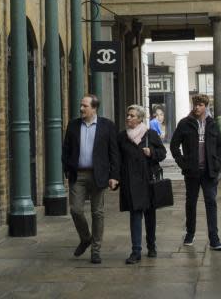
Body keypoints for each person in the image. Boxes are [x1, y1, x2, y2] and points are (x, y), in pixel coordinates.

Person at [62, 94, 120, 264]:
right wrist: (67, 168)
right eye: (81, 105)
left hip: (98, 174)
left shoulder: (107, 126)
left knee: (98, 213)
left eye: (85, 106)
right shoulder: (73, 125)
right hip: (77, 174)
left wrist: (114, 176)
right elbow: (66, 149)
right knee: (76, 210)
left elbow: (114, 153)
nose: (81, 109)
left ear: (94, 108)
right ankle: (86, 238)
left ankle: (96, 250)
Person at [170, 94, 221, 250]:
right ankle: (190, 233)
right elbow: (174, 146)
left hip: (209, 172)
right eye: (195, 104)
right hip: (192, 171)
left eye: (200, 105)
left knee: (211, 203)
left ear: (205, 106)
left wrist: (218, 163)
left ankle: (214, 238)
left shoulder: (213, 124)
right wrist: (183, 163)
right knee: (191, 203)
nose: (196, 107)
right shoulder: (185, 124)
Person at [117, 104, 167, 264]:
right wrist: (115, 178)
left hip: (148, 180)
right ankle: (136, 251)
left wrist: (151, 152)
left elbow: (162, 153)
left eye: (132, 115)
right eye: (127, 115)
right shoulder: (122, 137)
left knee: (150, 215)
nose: (128, 118)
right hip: (130, 182)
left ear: (139, 119)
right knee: (135, 215)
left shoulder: (150, 134)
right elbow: (117, 159)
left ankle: (151, 246)